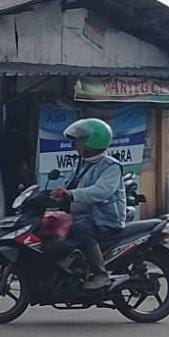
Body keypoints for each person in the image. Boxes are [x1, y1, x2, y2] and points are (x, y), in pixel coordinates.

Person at [51, 118, 125, 291]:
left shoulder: (110, 166)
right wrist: (57, 195)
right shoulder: (81, 163)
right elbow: (70, 185)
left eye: (79, 140)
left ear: (94, 141)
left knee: (79, 229)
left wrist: (72, 194)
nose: (75, 144)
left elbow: (101, 191)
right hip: (82, 215)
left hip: (104, 219)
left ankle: (100, 274)